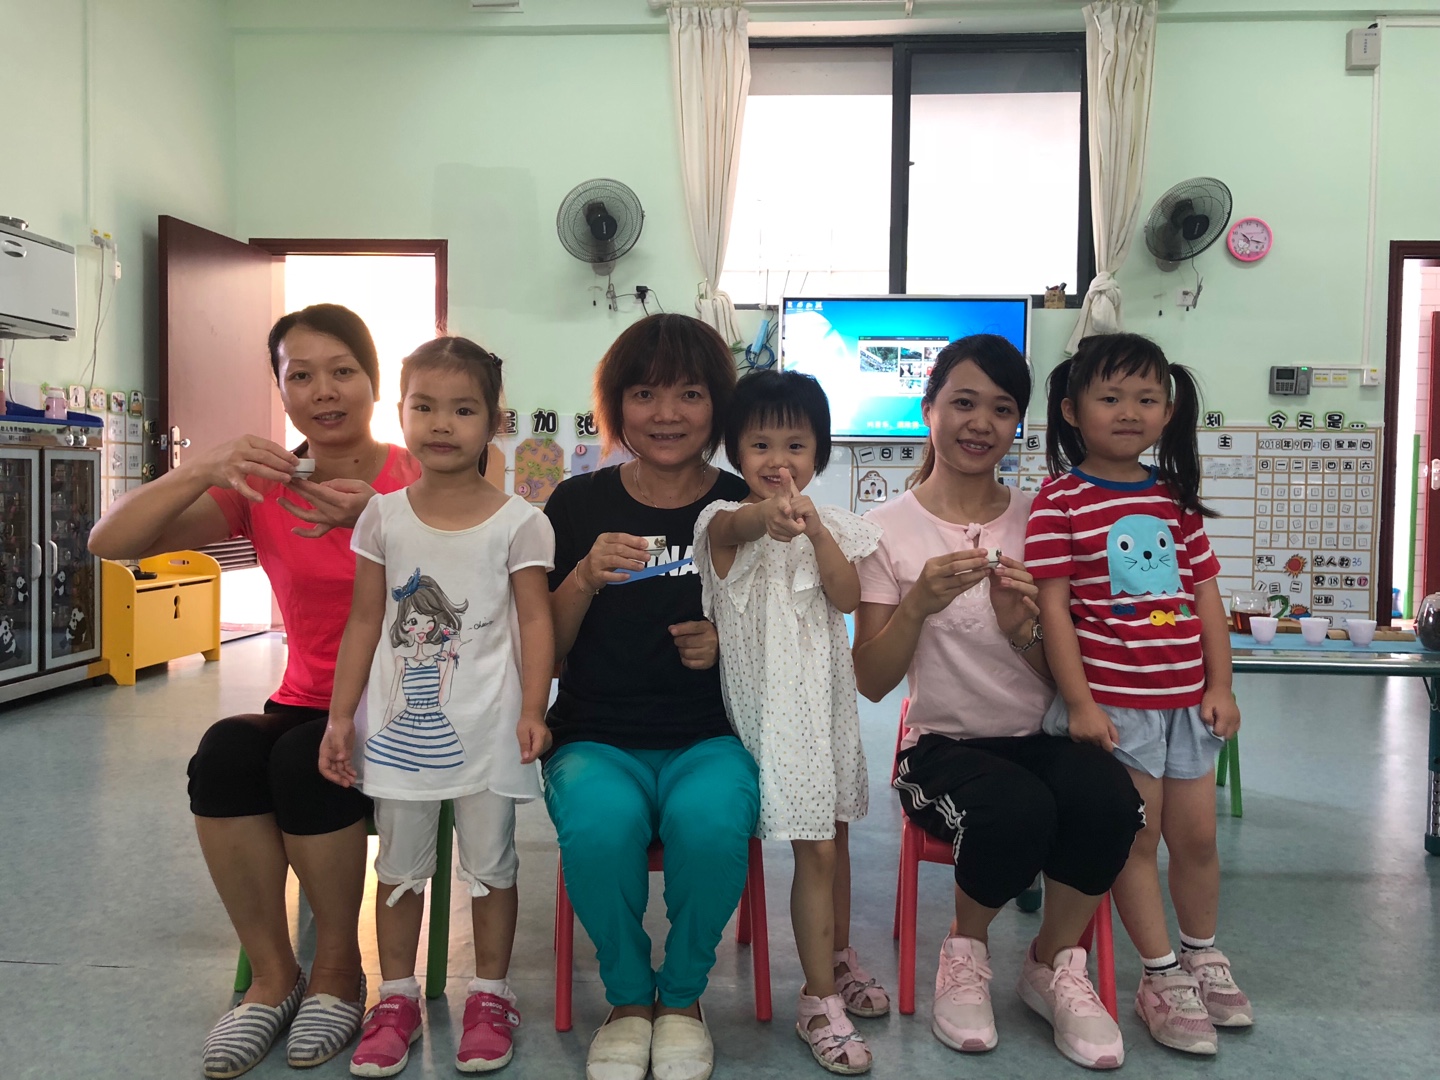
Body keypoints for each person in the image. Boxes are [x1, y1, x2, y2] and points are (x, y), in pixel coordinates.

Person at [87, 304, 420, 1077]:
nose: (323, 391)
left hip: (405, 708)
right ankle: (274, 976)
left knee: (305, 759)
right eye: (300, 375)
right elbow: (110, 543)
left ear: (373, 382)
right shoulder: (267, 486)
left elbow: (480, 585)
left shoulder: (418, 474)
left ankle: (338, 971)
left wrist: (381, 520)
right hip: (303, 701)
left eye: (342, 371)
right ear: (281, 390)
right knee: (227, 751)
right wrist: (201, 468)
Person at [851, 334, 1143, 1072]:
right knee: (1016, 809)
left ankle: (1052, 964)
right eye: (963, 402)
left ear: (1019, 423)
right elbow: (872, 679)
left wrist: (1023, 632)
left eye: (1002, 408)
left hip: (1041, 734)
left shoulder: (1044, 517)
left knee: (1111, 799)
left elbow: (1071, 671)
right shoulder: (885, 530)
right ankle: (966, 954)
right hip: (942, 747)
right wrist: (916, 604)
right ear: (929, 409)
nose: (980, 423)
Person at [319, 337, 555, 1076]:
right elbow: (365, 620)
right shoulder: (382, 516)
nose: (442, 424)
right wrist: (340, 717)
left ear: (494, 421)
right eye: (424, 407)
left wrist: (534, 709)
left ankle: (490, 995)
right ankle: (394, 997)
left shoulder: (520, 523)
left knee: (491, 865)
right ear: (401, 413)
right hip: (397, 738)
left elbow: (536, 621)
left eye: (463, 409)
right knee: (398, 868)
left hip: (489, 730)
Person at [541, 314, 759, 1080]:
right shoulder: (575, 505)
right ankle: (631, 999)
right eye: (644, 394)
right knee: (600, 828)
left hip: (713, 735)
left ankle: (684, 998)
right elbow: (546, 648)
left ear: (718, 405)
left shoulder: (743, 507)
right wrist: (582, 578)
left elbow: (785, 640)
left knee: (711, 823)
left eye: (690, 394)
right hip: (595, 737)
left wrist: (726, 644)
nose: (667, 414)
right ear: (616, 405)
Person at [1025, 333, 1251, 1057]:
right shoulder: (1059, 501)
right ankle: (1159, 974)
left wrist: (1221, 684)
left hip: (1188, 705)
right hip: (1117, 709)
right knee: (1138, 840)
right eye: (1111, 397)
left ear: (1167, 410)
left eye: (1147, 398)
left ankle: (1202, 954)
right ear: (1072, 410)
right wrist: (1080, 703)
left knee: (1198, 839)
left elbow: (1206, 598)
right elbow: (1054, 611)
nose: (1130, 411)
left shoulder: (1175, 499)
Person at [693, 370, 885, 1075]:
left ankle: (834, 955)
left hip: (823, 705)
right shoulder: (719, 520)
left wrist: (815, 531)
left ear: (819, 453)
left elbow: (847, 596)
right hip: (770, 715)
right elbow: (738, 527)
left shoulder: (831, 524)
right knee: (818, 848)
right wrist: (768, 518)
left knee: (834, 835)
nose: (779, 460)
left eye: (796, 445)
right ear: (734, 451)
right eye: (761, 444)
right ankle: (817, 998)